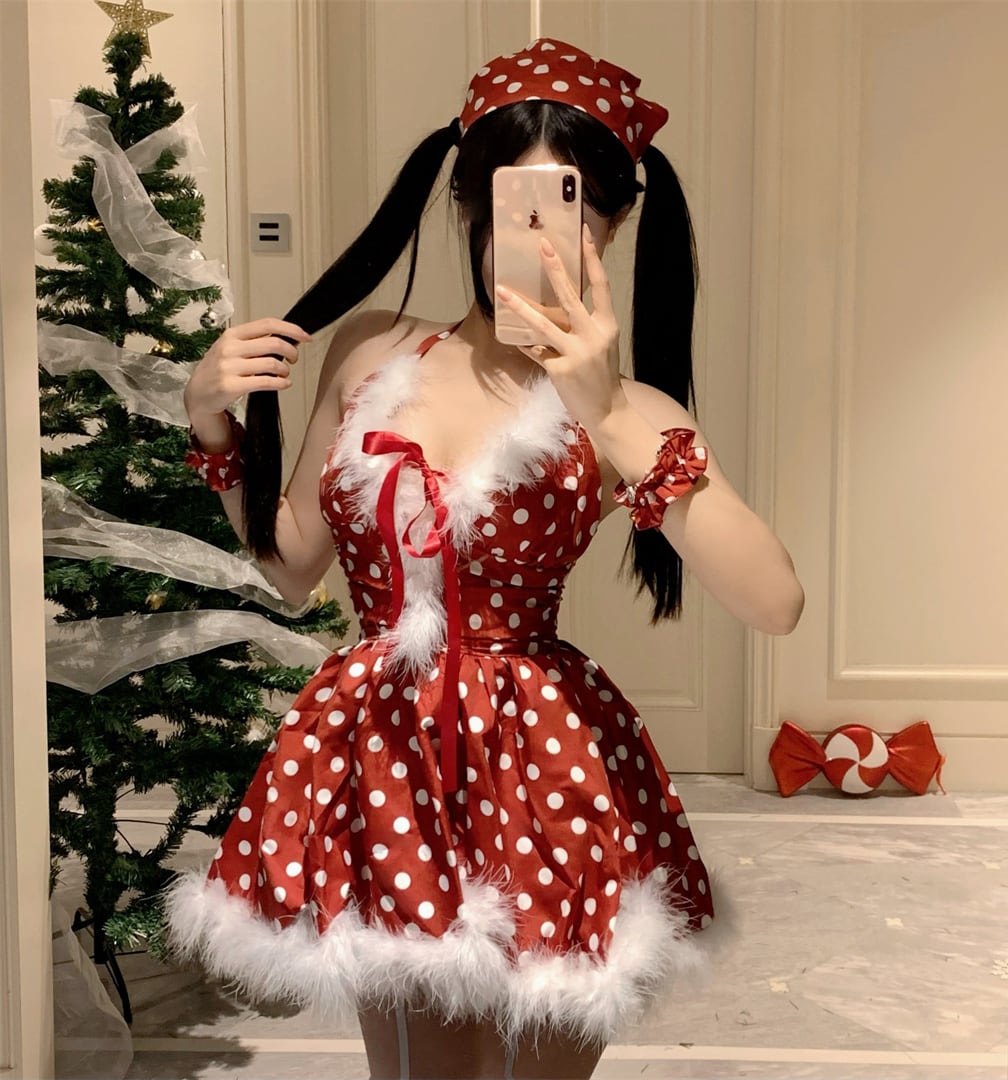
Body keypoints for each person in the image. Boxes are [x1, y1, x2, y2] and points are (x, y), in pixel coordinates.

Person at [165, 36, 804, 1080]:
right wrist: (213, 424)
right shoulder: (370, 349)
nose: (542, 237)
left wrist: (606, 410)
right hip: (378, 757)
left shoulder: (632, 413)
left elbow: (774, 602)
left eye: (573, 208)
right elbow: (291, 567)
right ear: (469, 204)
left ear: (615, 221)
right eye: (517, 206)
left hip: (543, 763)